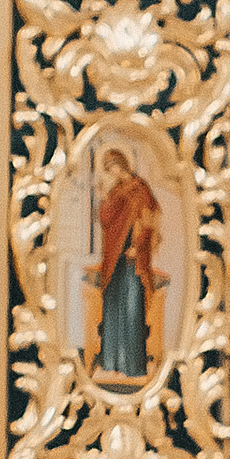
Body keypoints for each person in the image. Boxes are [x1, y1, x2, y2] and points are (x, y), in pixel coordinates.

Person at [85, 141, 163, 380]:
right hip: (114, 261)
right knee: (112, 310)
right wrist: (104, 199)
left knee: (131, 311)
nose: (112, 173)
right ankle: (110, 363)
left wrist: (138, 247)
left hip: (133, 260)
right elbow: (107, 220)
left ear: (123, 165)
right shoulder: (115, 191)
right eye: (108, 170)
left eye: (113, 168)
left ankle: (132, 366)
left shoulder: (140, 189)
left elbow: (150, 220)